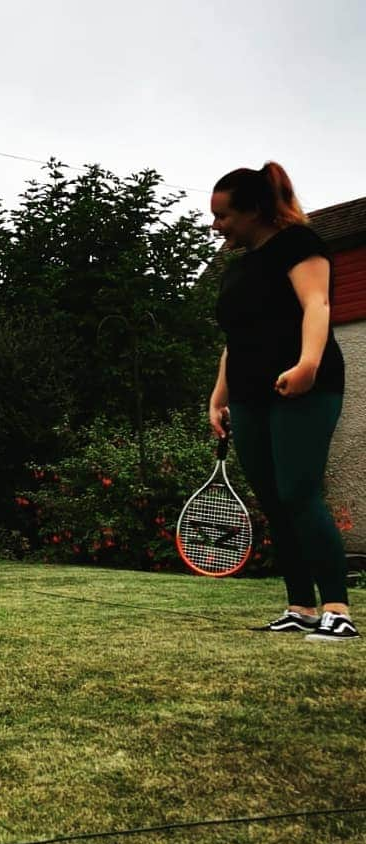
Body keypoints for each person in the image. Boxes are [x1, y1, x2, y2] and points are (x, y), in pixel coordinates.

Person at [208, 161, 357, 641]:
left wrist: (307, 365)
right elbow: (235, 340)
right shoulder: (237, 270)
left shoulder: (301, 244)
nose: (217, 226)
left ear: (253, 211)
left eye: (223, 216)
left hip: (304, 387)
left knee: (298, 490)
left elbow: (318, 304)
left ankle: (337, 609)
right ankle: (300, 607)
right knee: (274, 499)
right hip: (250, 394)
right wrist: (218, 399)